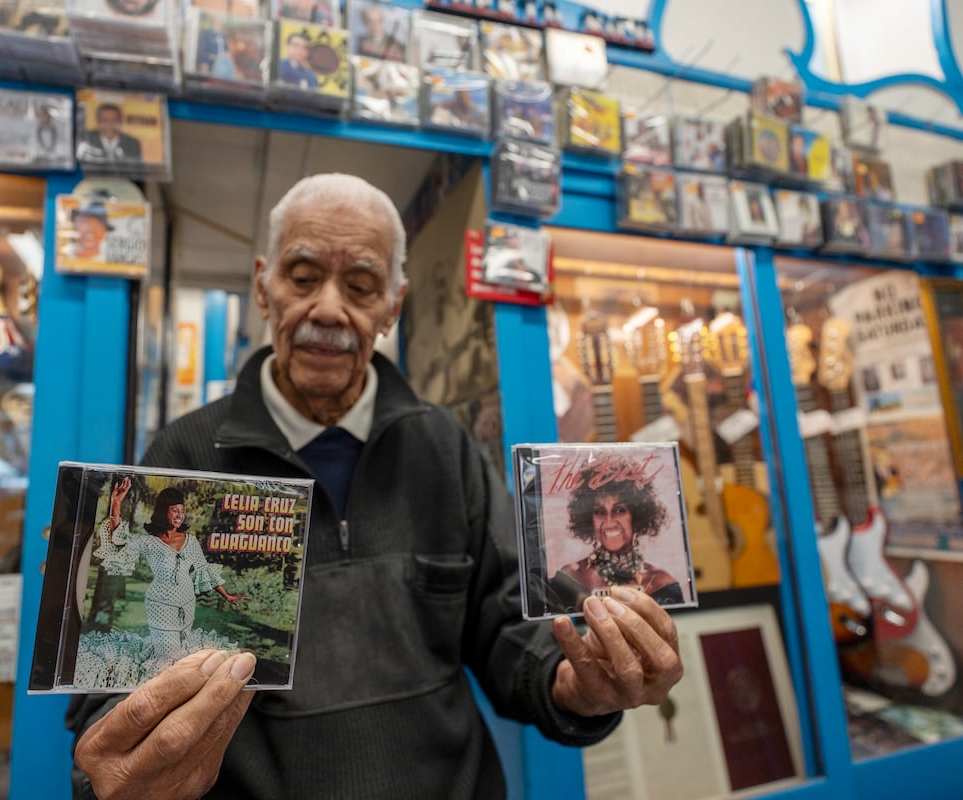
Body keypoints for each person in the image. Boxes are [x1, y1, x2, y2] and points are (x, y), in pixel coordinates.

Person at [67, 174, 682, 799]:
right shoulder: (184, 458)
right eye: (302, 277)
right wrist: (125, 763)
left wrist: (579, 685)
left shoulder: (446, 448)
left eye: (360, 286)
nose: (329, 309)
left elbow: (506, 634)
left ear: (393, 305)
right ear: (262, 285)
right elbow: (110, 682)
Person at [91, 478, 245, 660]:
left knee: (180, 652)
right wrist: (116, 503)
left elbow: (204, 571)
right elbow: (120, 539)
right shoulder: (149, 542)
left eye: (182, 511)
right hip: (160, 603)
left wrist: (226, 595)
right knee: (165, 654)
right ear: (164, 512)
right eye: (175, 511)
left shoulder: (191, 541)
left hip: (187, 604)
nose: (180, 515)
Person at [548, 458, 684, 608]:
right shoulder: (569, 579)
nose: (609, 522)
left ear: (636, 516)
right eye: (599, 512)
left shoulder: (661, 583)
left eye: (619, 510)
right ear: (589, 519)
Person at [76, 103, 143, 165]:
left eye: (114, 120)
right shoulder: (85, 139)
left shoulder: (132, 143)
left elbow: (137, 172)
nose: (109, 124)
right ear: (98, 122)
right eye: (104, 120)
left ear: (120, 122)